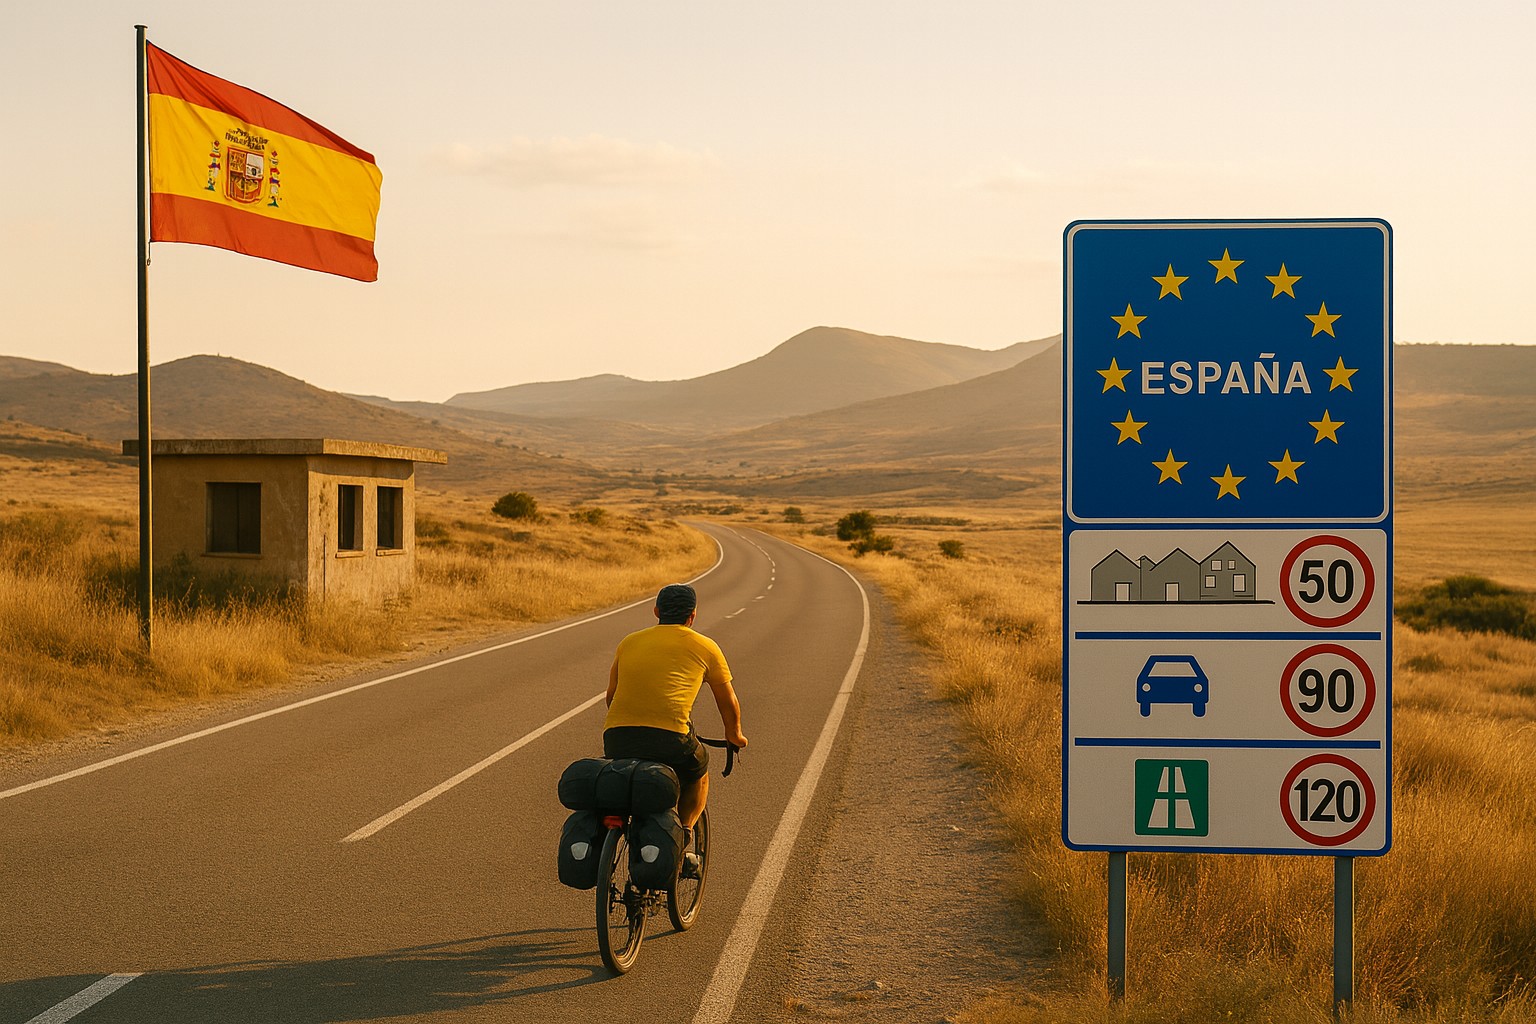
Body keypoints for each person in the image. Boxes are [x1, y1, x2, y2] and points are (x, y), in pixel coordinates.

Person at [603, 583, 748, 862]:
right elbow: (727, 700)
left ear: (656, 611)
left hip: (617, 735)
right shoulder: (705, 646)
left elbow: (612, 696)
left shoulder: (629, 641)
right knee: (698, 770)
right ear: (692, 616)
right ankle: (684, 836)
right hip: (670, 738)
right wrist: (735, 734)